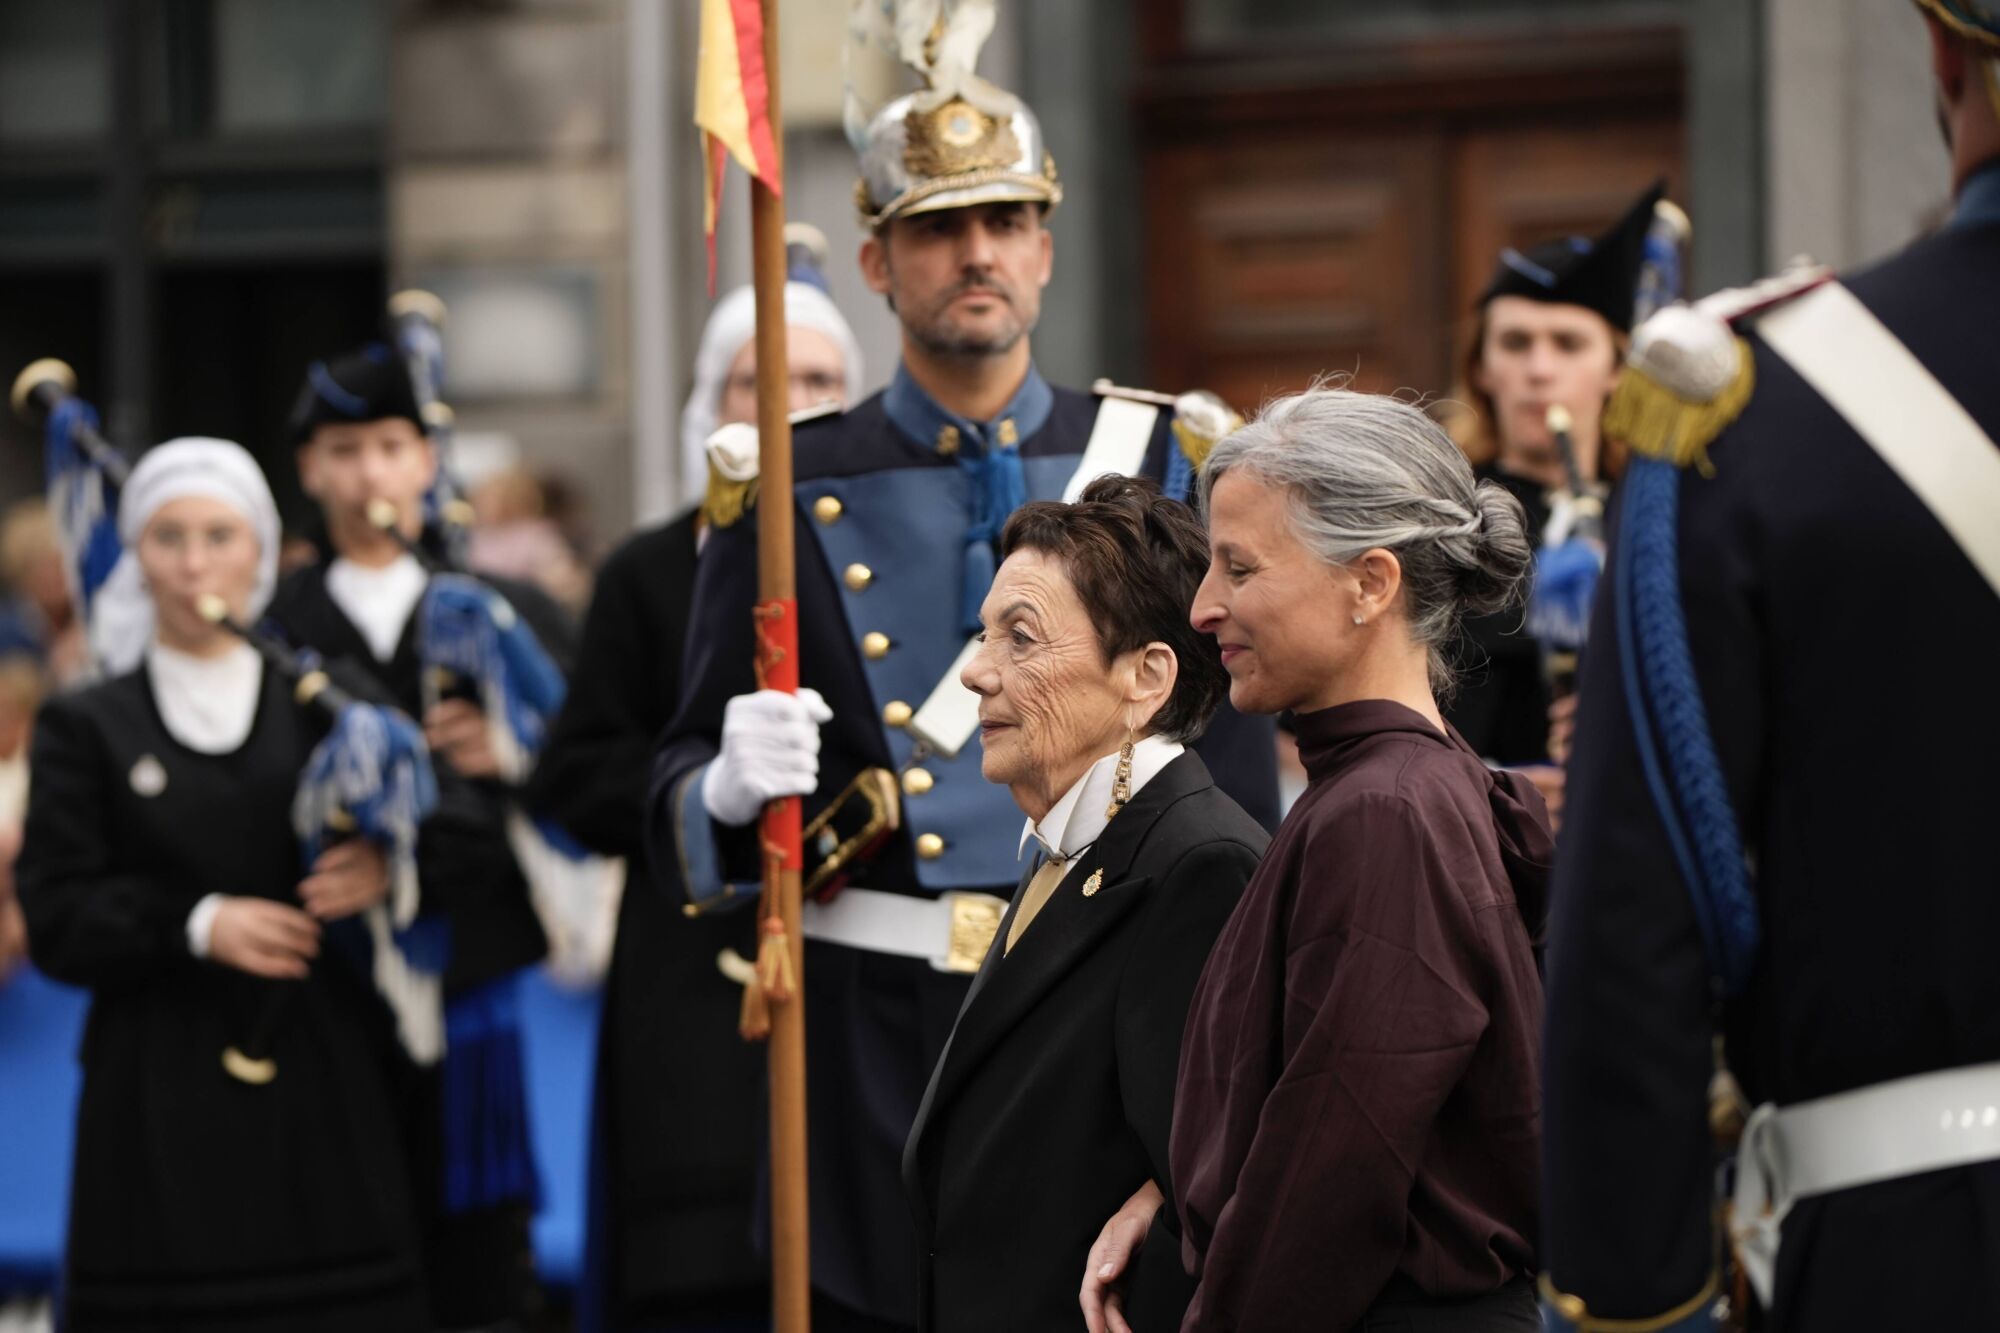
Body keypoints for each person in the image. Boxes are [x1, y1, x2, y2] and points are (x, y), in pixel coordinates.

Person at [648, 47, 1280, 1331]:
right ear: (877, 263)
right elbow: (678, 812)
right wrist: (720, 785)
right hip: (873, 1038)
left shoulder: (1169, 456)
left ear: (1046, 246)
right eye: (936, 228)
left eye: (1005, 221)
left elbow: (1236, 793)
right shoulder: (773, 481)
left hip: (1111, 1006)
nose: (975, 252)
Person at [1540, 6, 2000, 1329]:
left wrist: (1641, 1298)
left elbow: (1636, 926)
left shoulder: (1749, 406)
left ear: (1944, 57)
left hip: (1913, 1255)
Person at [1118, 386, 1549, 1332]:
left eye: (1239, 567)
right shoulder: (1411, 788)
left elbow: (1331, 1162)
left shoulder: (1385, 810)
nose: (1202, 607)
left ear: (1371, 583)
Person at [17, 437, 428, 1331]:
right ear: (136, 555)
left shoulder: (327, 698)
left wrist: (387, 863)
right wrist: (196, 923)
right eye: (169, 537)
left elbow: (454, 827)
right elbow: (56, 911)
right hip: (157, 1092)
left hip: (321, 1087)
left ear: (264, 550)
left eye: (219, 534)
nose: (196, 562)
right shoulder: (87, 722)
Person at [526, 265, 863, 1332]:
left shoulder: (891, 559)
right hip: (689, 977)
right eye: (754, 381)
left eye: (818, 378)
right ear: (706, 406)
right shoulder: (642, 574)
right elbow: (572, 782)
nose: (788, 403)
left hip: (857, 959)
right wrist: (705, 787)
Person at [902, 476, 1266, 1333]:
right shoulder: (1078, 840)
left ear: (1146, 676)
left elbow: (1210, 1189)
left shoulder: (1197, 864)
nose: (975, 671)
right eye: (984, 633)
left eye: (1019, 638)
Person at [266, 344, 575, 1330]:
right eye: (343, 449)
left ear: (425, 461)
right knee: (339, 1257)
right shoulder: (277, 625)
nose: (367, 474)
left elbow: (590, 788)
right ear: (309, 469)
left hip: (472, 980)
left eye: (391, 446)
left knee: (480, 1266)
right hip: (328, 988)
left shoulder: (503, 612)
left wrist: (511, 752)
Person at [1443, 186, 1663, 819]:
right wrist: (1492, 786)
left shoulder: (1654, 510)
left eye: (1568, 344)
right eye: (1515, 344)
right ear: (1482, 367)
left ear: (1617, 367)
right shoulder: (1436, 510)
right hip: (1473, 840)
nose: (1539, 370)